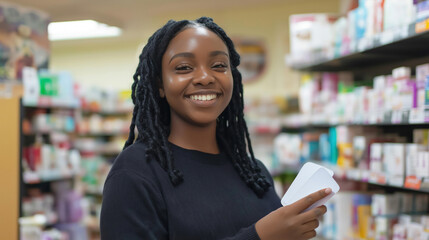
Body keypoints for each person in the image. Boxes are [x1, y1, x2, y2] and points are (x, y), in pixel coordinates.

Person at [100, 16, 331, 240]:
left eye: (219, 65)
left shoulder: (254, 173)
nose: (204, 77)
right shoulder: (135, 174)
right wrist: (259, 237)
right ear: (159, 84)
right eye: (183, 67)